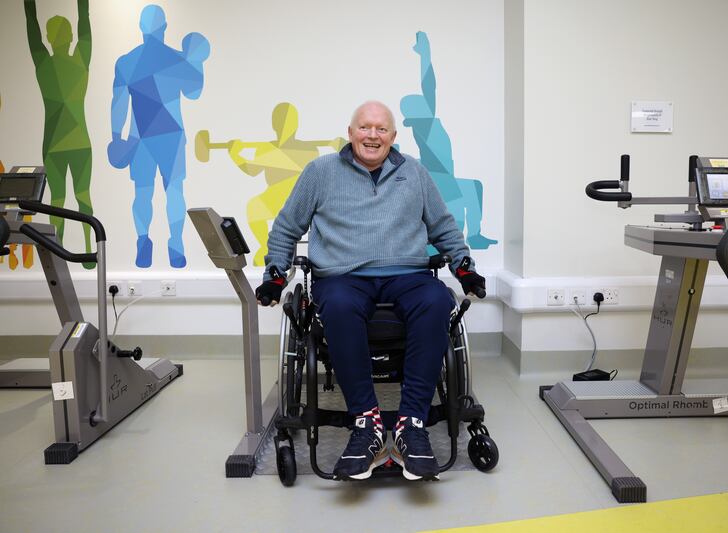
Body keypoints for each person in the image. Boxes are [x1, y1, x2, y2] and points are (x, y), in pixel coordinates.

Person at [255, 101, 486, 482]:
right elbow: (285, 228)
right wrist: (275, 275)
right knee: (340, 306)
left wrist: (464, 268)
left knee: (435, 300)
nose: (372, 136)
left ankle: (412, 424)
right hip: (344, 276)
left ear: (393, 137)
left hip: (407, 273)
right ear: (350, 132)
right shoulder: (320, 172)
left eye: (381, 129)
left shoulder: (414, 172)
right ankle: (368, 424)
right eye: (365, 128)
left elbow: (444, 227)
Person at [108, 5, 210, 268]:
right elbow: (194, 93)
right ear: (164, 27)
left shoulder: (126, 61)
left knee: (143, 193)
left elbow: (118, 103)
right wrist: (196, 61)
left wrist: (117, 137)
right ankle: (175, 246)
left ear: (141, 28)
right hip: (169, 138)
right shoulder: (175, 59)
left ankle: (144, 242)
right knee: (173, 192)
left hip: (142, 139)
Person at [400, 31, 497, 250]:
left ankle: (475, 234)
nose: (423, 101)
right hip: (440, 177)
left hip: (444, 172)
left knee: (474, 186)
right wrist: (425, 56)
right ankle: (467, 236)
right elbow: (429, 87)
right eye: (418, 102)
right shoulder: (425, 123)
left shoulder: (425, 123)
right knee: (465, 194)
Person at [221, 102, 346, 266]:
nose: (286, 125)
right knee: (254, 207)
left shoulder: (308, 149)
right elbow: (252, 171)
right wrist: (235, 155)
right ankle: (262, 247)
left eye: (290, 121)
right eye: (281, 121)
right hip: (272, 194)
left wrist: (340, 148)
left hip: (296, 194)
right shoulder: (266, 148)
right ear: (274, 124)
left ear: (296, 124)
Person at [25, 0, 95, 268]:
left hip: (53, 143)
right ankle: (90, 251)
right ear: (68, 37)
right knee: (83, 196)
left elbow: (32, 29)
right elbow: (85, 23)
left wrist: (29, 5)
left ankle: (58, 250)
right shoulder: (81, 61)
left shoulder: (43, 64)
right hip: (80, 143)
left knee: (57, 200)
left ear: (49, 39)